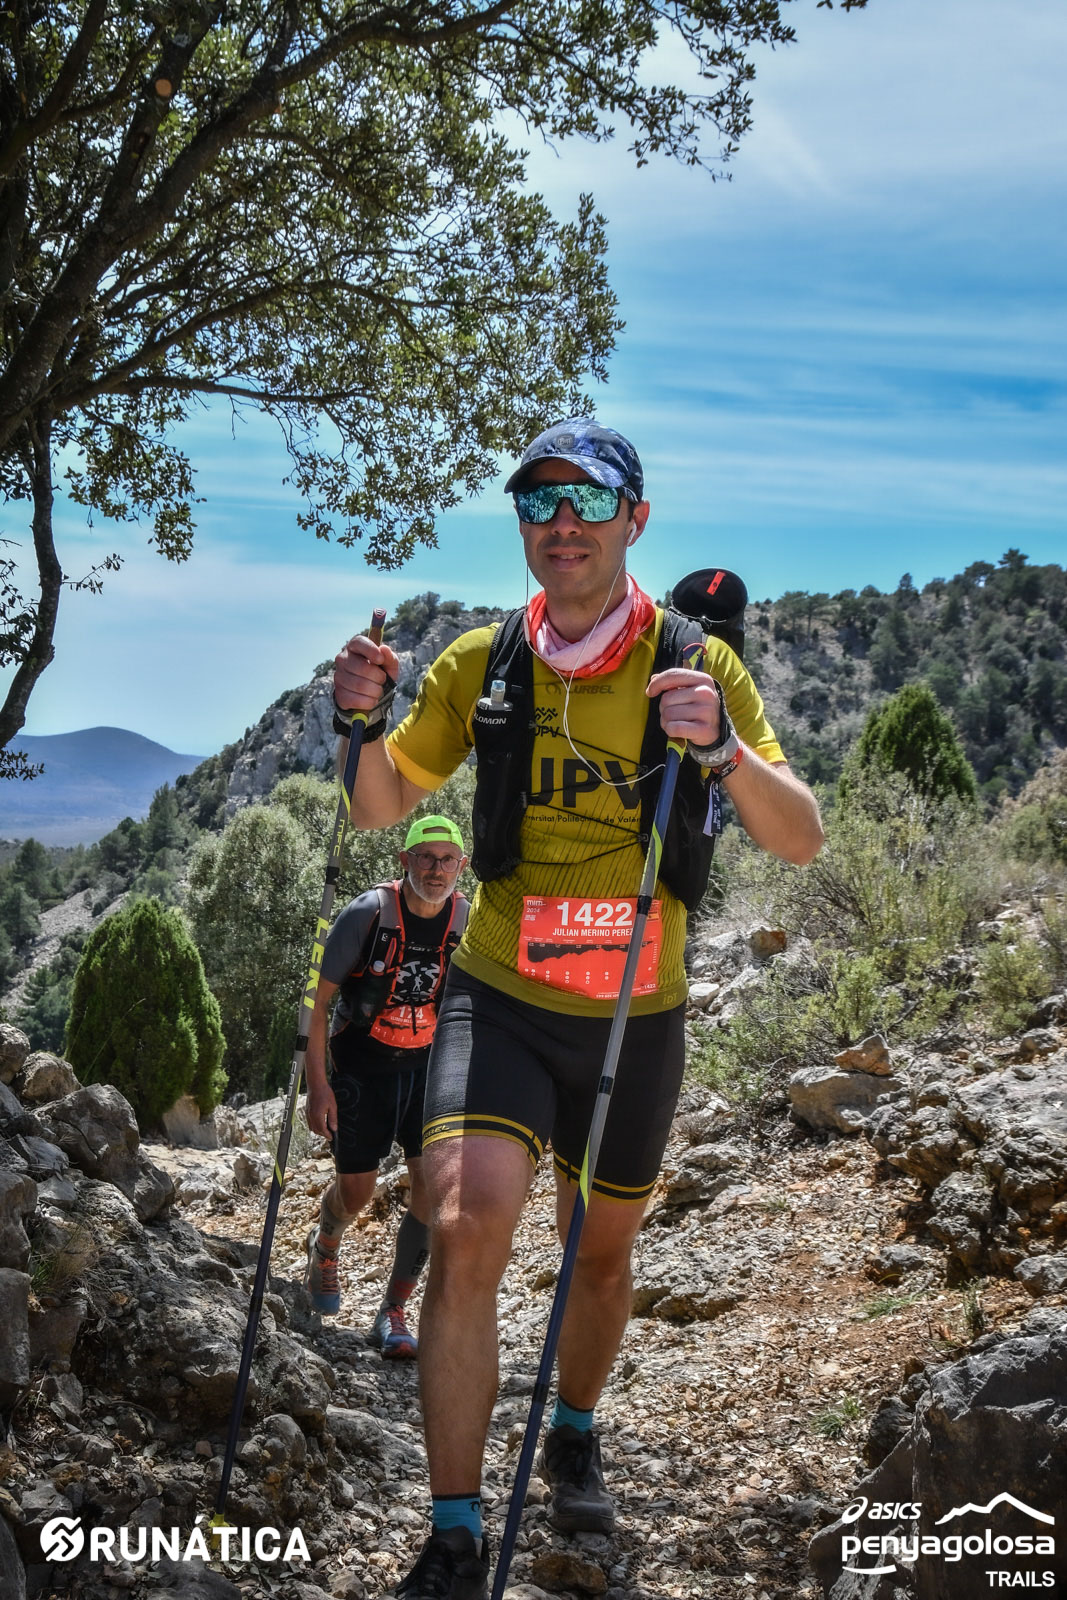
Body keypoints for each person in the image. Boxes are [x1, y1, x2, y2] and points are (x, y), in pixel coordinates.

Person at [331, 418, 824, 1597]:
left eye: (588, 500)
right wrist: (357, 722)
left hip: (632, 1015)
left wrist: (723, 756)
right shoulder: (481, 661)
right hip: (498, 994)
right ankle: (455, 1533)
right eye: (537, 502)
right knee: (464, 1223)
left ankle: (573, 1425)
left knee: (596, 1256)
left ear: (632, 519)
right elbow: (380, 803)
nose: (561, 523)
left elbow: (800, 836)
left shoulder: (695, 662)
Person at [303, 815, 469, 1358]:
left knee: (432, 1188)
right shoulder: (367, 914)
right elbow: (317, 1003)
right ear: (405, 861)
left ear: (462, 866)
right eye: (426, 858)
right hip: (361, 1067)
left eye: (447, 860)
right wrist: (318, 1087)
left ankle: (393, 1311)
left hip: (427, 1069)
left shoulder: (465, 920)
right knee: (357, 1192)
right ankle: (326, 1243)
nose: (436, 869)